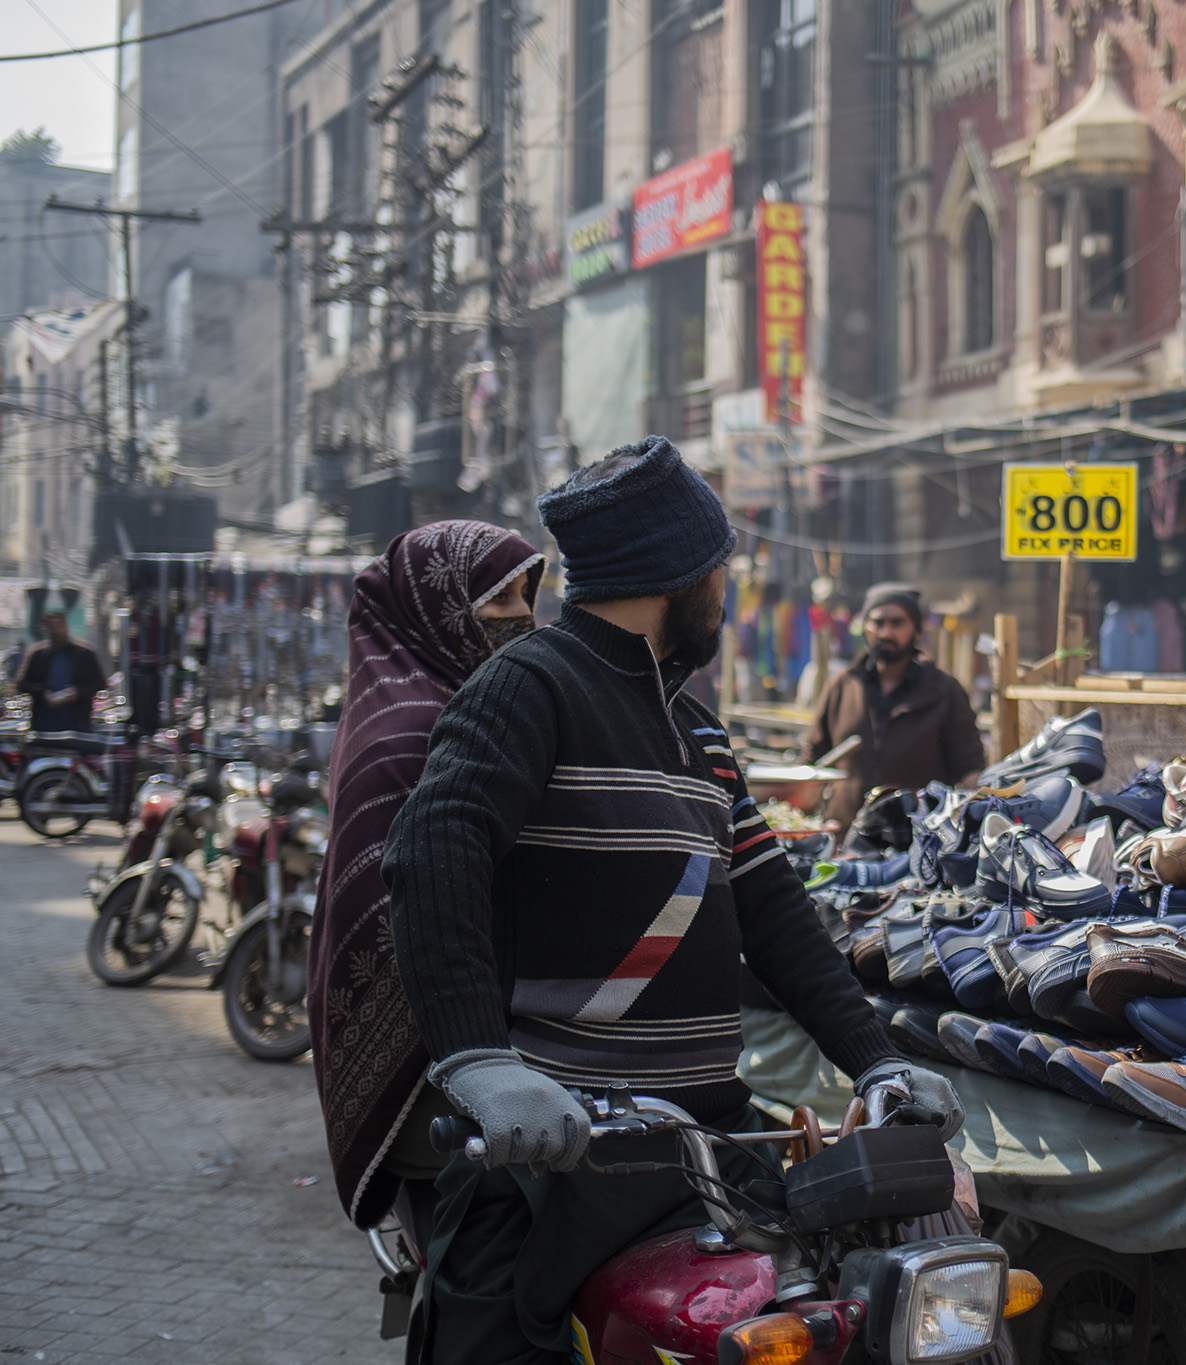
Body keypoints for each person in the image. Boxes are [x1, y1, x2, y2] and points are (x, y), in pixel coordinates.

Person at [382, 436, 961, 1364]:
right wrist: (477, 1060)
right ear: (678, 573)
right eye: (720, 571)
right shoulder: (529, 686)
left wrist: (877, 1062)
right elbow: (430, 849)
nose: (725, 595)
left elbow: (774, 911)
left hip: (709, 1151)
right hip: (556, 1156)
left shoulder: (697, 727)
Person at [308, 520, 544, 1241]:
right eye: (499, 598)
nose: (524, 616)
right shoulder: (418, 729)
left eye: (528, 594)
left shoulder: (436, 704)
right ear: (437, 611)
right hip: (432, 1072)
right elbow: (417, 917)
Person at [806, 582, 984, 828]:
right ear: (865, 627)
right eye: (878, 623)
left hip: (917, 838)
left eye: (897, 623)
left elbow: (969, 766)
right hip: (845, 834)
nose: (886, 633)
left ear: (917, 631)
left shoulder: (944, 691)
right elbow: (813, 758)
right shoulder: (842, 686)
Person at [16, 610, 106, 733]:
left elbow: (99, 683)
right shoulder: (37, 655)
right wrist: (43, 694)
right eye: (51, 627)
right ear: (46, 629)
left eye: (59, 627)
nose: (56, 631)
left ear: (66, 627)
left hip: (76, 721)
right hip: (44, 721)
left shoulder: (84, 654)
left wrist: (78, 692)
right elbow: (22, 683)